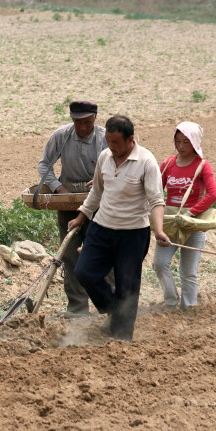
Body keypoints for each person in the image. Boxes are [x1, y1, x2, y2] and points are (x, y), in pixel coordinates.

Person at [68, 115, 170, 340]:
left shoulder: (146, 162)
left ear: (130, 140)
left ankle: (122, 338)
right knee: (85, 272)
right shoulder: (105, 157)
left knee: (127, 286)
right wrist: (81, 217)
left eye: (116, 142)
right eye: (108, 141)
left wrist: (159, 230)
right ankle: (115, 311)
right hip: (102, 227)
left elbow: (156, 201)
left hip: (132, 234)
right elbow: (96, 192)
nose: (111, 147)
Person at [36, 100, 108, 317]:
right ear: (72, 120)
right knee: (70, 255)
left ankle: (110, 305)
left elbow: (118, 165)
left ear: (95, 119)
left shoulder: (105, 138)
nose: (83, 128)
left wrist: (99, 180)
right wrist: (59, 188)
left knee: (103, 254)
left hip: (100, 203)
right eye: (78, 123)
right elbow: (44, 164)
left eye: (87, 122)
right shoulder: (61, 136)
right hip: (68, 203)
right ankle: (77, 309)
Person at [152, 121, 216, 311]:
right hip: (171, 224)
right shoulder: (168, 164)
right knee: (159, 264)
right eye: (178, 141)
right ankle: (171, 301)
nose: (181, 147)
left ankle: (188, 307)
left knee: (188, 272)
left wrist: (190, 214)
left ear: (195, 143)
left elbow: (213, 194)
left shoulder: (203, 166)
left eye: (186, 143)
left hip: (192, 225)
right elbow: (154, 190)